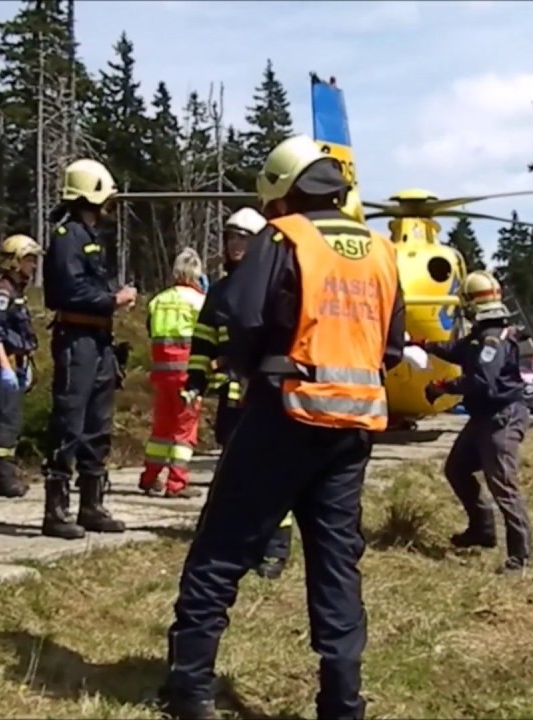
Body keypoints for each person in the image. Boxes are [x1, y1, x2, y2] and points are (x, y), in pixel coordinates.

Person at [159, 135, 406, 720]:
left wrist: (259, 361)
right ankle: (342, 703)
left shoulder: (285, 236)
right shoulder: (378, 250)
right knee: (336, 562)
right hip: (353, 429)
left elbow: (235, 312)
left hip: (283, 413)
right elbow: (391, 348)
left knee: (222, 547)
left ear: (283, 192)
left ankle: (190, 689)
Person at [183, 207, 294, 580]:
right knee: (234, 469)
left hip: (267, 393)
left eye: (243, 238)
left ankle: (275, 547)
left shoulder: (277, 285)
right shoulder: (220, 290)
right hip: (231, 396)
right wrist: (195, 379)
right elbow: (204, 339)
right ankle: (237, 541)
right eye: (230, 237)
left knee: (274, 470)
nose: (234, 245)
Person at [40, 158, 138, 540]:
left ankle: (92, 504)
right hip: (77, 338)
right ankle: (56, 509)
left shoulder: (89, 236)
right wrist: (113, 299)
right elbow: (66, 290)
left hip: (98, 341)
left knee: (98, 423)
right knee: (69, 420)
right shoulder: (68, 236)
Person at [417, 271, 533, 575]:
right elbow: (459, 351)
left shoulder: (492, 338)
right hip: (484, 417)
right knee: (456, 469)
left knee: (503, 485)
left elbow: (482, 379)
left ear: (470, 302)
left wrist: (447, 386)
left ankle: (519, 558)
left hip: (502, 418)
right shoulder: (480, 336)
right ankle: (482, 531)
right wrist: (426, 344)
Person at [139, 248, 208, 499]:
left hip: (162, 374)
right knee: (184, 430)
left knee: (162, 428)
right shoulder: (199, 302)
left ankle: (149, 477)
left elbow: (150, 331)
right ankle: (177, 484)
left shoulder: (158, 300)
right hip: (187, 374)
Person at [0, 234, 42, 499]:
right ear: (15, 261)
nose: (33, 266)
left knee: (12, 420)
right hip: (0, 364)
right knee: (4, 421)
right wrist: (5, 366)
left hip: (14, 363)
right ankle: (2, 480)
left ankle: (4, 477)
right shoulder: (3, 293)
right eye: (29, 260)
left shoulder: (16, 292)